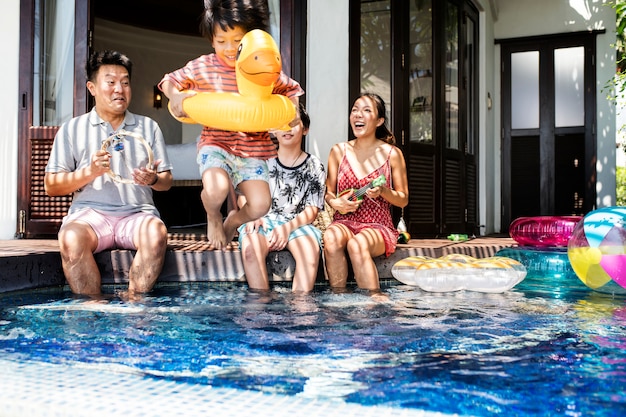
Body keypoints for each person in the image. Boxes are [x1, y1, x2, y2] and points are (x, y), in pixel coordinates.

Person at [159, 0, 304, 250]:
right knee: (216, 190)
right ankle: (214, 215)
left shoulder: (259, 67)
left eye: (237, 40)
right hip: (217, 143)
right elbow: (169, 81)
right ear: (212, 41)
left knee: (260, 205)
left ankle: (232, 221)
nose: (229, 48)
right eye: (221, 41)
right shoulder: (205, 66)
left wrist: (293, 112)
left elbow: (291, 90)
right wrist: (176, 96)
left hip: (253, 150)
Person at [44, 50, 173, 296]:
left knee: (157, 233)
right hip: (90, 217)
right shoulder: (73, 129)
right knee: (71, 238)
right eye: (111, 82)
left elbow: (166, 182)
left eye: (125, 82)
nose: (119, 89)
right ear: (92, 88)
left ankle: (134, 304)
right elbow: (51, 185)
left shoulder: (149, 127)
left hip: (137, 215)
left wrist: (153, 179)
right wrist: (89, 173)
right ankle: (94, 309)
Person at [323, 93, 409, 292]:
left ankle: (374, 303)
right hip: (344, 221)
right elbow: (328, 193)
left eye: (366, 110)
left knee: (357, 244)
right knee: (331, 237)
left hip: (378, 226)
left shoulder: (392, 154)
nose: (358, 115)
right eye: (355, 110)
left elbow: (403, 199)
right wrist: (335, 203)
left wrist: (384, 192)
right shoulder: (338, 151)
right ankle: (339, 299)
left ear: (379, 121)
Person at [238, 104, 326, 292]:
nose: (287, 128)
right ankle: (261, 310)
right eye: (282, 123)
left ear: (305, 129)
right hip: (262, 219)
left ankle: (300, 311)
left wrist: (286, 229)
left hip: (298, 224)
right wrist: (252, 216)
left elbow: (312, 210)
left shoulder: (314, 166)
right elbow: (244, 197)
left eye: (294, 122)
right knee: (250, 249)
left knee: (309, 252)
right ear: (273, 130)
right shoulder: (261, 161)